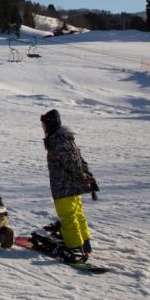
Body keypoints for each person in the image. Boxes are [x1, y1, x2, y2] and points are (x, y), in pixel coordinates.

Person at [41, 109, 98, 261]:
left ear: (51, 125)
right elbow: (79, 160)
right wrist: (87, 177)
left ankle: (74, 248)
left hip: (64, 187)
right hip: (71, 186)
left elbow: (73, 164)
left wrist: (84, 177)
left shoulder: (58, 141)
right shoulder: (65, 138)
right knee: (77, 215)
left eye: (44, 125)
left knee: (68, 217)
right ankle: (84, 243)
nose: (43, 128)